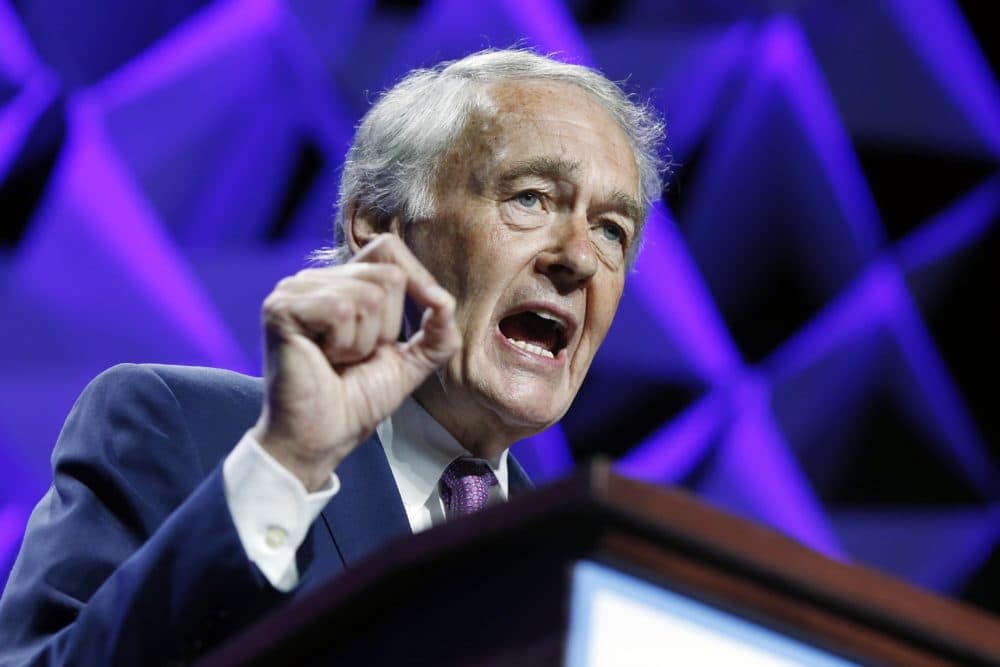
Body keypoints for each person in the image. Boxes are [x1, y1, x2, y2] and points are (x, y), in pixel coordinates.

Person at [0, 48, 665, 665]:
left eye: (612, 229)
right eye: (530, 198)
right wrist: (286, 465)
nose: (579, 257)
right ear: (377, 227)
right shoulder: (172, 427)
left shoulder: (576, 568)